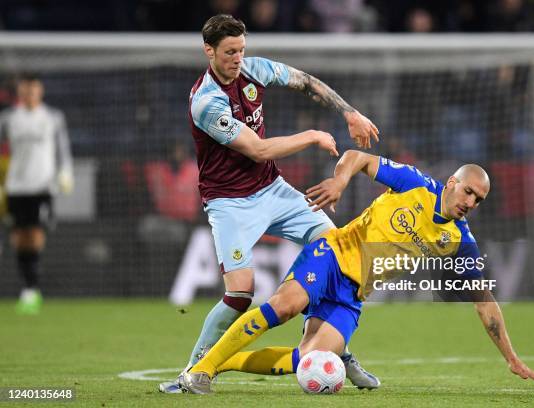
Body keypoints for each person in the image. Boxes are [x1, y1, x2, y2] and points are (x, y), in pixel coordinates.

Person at [178, 150, 534, 393]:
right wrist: (340, 181)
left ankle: (216, 361)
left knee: (308, 360)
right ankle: (200, 372)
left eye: (478, 200)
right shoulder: (415, 184)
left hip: (354, 294)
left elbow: (485, 303)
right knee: (286, 305)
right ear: (452, 183)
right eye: (468, 192)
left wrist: (511, 358)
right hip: (333, 255)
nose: (470, 203)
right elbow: (356, 156)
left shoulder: (459, 240)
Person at [159, 14, 381, 392]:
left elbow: (307, 83)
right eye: (229, 52)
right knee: (241, 291)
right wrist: (311, 135)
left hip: (272, 191)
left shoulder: (254, 70)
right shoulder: (206, 102)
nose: (237, 59)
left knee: (339, 255)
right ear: (208, 51)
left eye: (242, 50)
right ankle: (193, 371)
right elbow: (258, 149)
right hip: (229, 202)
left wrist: (350, 112)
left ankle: (335, 353)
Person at [0, 74, 74, 314]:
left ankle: (32, 288)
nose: (29, 94)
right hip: (16, 186)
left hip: (43, 186)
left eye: (33, 90)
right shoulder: (8, 119)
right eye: (25, 91)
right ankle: (29, 287)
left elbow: (63, 148)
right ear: (20, 93)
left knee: (35, 233)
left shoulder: (52, 117)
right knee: (20, 237)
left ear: (39, 91)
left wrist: (65, 172)